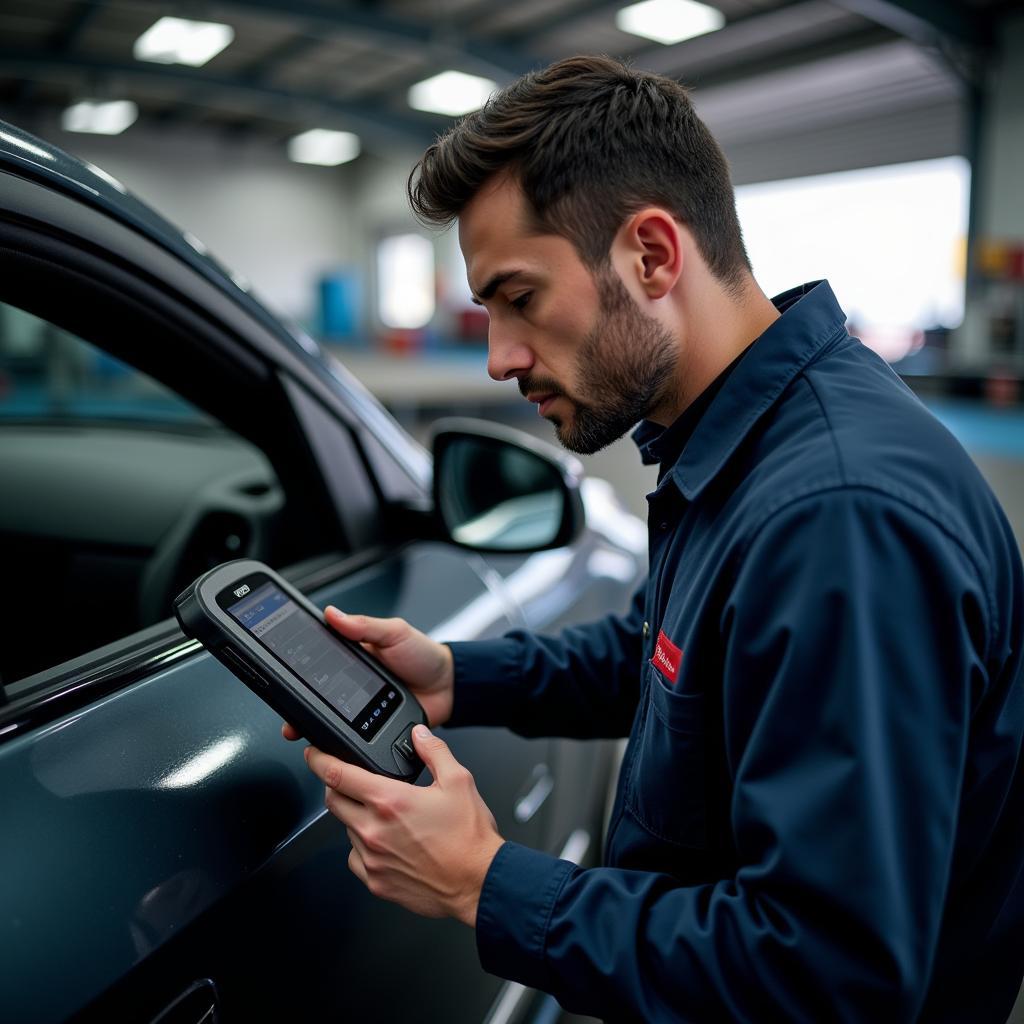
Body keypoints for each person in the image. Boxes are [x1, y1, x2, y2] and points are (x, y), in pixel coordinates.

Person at [286, 55, 1024, 1022]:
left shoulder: (838, 518)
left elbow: (829, 981)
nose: (501, 356)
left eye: (520, 298)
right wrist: (456, 676)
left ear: (651, 256)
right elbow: (667, 657)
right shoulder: (749, 443)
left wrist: (485, 882)